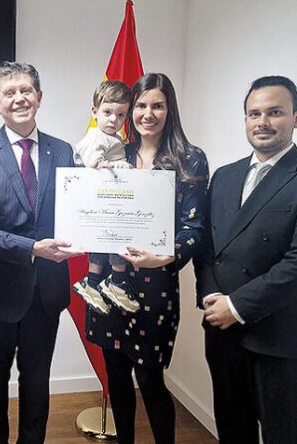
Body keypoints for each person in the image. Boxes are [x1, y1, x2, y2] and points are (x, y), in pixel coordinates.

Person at [195, 76, 297, 444]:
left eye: (275, 113)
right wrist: (211, 298)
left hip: (280, 340)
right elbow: (208, 248)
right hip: (223, 335)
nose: (263, 122)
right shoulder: (224, 177)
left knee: (281, 437)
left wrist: (237, 305)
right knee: (232, 431)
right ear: (245, 120)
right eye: (254, 113)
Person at [0, 61, 82, 444]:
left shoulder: (63, 152)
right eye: (9, 93)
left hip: (45, 294)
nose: (19, 99)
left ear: (40, 98)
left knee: (37, 382)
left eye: (26, 91)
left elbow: (77, 213)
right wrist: (32, 248)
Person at [86, 73, 209, 444]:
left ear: (169, 109)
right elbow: (91, 210)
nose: (148, 113)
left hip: (156, 286)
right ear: (130, 111)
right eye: (140, 106)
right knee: (117, 377)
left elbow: (195, 229)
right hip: (109, 283)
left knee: (151, 380)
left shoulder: (189, 159)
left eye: (157, 105)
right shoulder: (113, 152)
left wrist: (165, 257)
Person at [71, 80, 136, 315]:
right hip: (98, 198)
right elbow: (94, 165)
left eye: (121, 115)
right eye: (107, 112)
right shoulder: (96, 137)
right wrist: (120, 165)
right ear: (94, 112)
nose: (113, 120)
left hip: (104, 202)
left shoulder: (114, 138)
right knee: (115, 240)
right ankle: (116, 283)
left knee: (101, 243)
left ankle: (91, 282)